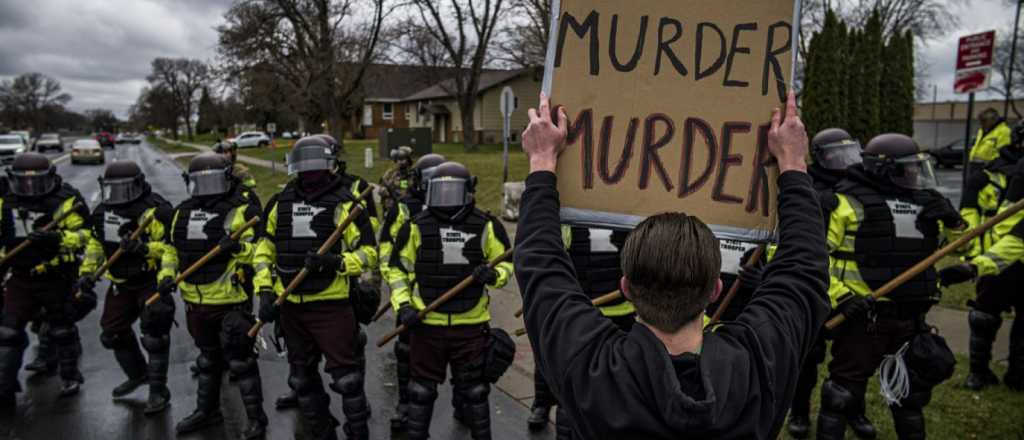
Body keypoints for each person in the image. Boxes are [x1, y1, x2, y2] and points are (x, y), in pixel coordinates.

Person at [515, 91, 830, 438]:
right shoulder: (759, 365)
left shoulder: (592, 368)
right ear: (715, 290)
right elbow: (804, 270)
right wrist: (793, 165)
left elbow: (540, 267)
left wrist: (542, 162)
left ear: (625, 288)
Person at [819, 133, 962, 440]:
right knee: (840, 394)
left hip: (911, 320)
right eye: (908, 168)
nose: (915, 174)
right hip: (863, 318)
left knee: (909, 395)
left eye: (916, 167)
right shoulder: (844, 202)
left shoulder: (928, 204)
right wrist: (841, 298)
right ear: (885, 169)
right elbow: (813, 260)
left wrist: (955, 224)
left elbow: (959, 249)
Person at [254, 135, 378, 440]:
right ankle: (322, 431)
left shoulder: (346, 204)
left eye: (316, 166)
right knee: (301, 379)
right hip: (292, 307)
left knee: (347, 380)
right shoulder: (279, 203)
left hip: (331, 306)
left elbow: (370, 253)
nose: (310, 173)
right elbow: (262, 251)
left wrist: (336, 262)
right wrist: (265, 291)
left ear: (331, 164)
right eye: (304, 167)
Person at [386, 161, 515, 440]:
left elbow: (506, 264)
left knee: (475, 391)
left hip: (470, 326)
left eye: (453, 192)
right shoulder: (417, 226)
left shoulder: (486, 225)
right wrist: (404, 305)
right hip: (426, 325)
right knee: (420, 392)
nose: (446, 199)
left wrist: (492, 275)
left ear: (468, 191)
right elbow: (397, 270)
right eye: (440, 191)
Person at [157, 153, 267, 438]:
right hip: (195, 300)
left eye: (213, 181)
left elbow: (261, 252)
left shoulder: (241, 210)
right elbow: (171, 249)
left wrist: (237, 249)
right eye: (199, 182)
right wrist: (166, 276)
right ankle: (207, 411)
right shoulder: (181, 212)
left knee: (241, 361)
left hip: (230, 300)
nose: (207, 188)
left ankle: (257, 419)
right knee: (207, 360)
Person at [789, 127, 872, 438]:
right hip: (815, 290)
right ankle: (799, 412)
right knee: (807, 358)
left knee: (854, 359)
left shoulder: (859, 188)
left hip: (854, 293)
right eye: (837, 155)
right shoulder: (807, 187)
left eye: (850, 153)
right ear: (821, 158)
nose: (846, 161)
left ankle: (855, 410)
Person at [78, 161, 174, 414]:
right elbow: (96, 246)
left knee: (154, 334)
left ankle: (158, 390)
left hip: (149, 279)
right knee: (111, 333)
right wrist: (86, 273)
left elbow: (169, 248)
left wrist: (144, 249)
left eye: (125, 189)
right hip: (121, 283)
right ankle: (138, 374)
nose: (119, 196)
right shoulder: (102, 212)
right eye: (113, 189)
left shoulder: (154, 210)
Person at [0, 153, 93, 408]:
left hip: (56, 275)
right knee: (8, 331)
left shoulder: (66, 199)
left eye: (37, 183)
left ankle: (70, 375)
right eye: (24, 183)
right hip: (20, 276)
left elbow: (85, 235)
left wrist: (59, 240)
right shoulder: (5, 200)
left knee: (61, 328)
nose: (30, 189)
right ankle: (4, 385)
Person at [939, 121, 1024, 392]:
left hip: (1009, 258)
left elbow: (1018, 238)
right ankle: (979, 371)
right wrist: (970, 252)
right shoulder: (988, 176)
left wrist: (974, 267)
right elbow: (971, 222)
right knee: (983, 316)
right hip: (992, 262)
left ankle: (1018, 374)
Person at [528, 224, 634, 438]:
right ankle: (541, 403)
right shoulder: (571, 221)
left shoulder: (630, 222)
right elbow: (553, 257)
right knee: (555, 360)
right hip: (580, 309)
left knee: (616, 373)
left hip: (622, 310)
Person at [378, 152, 446, 431]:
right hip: (414, 296)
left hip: (453, 292)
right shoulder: (404, 209)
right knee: (406, 352)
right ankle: (405, 403)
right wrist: (402, 292)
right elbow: (387, 253)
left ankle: (465, 404)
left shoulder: (459, 207)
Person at [968, 108, 1012, 179]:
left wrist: (991, 165)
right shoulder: (982, 130)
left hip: (989, 168)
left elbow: (1003, 153)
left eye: (984, 121)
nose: (981, 123)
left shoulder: (1004, 131)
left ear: (993, 120)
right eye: (980, 121)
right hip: (974, 166)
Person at [380, 145, 415, 212]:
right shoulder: (390, 173)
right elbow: (381, 188)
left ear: (408, 161)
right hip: (392, 206)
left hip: (408, 205)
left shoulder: (413, 174)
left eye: (403, 159)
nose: (401, 162)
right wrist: (383, 190)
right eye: (399, 159)